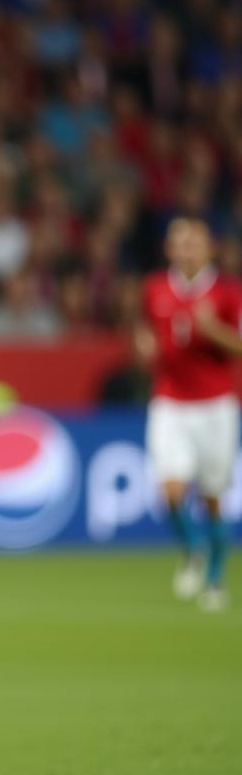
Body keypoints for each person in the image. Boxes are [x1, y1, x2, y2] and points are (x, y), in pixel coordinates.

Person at [137, 216, 242, 612]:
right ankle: (193, 549)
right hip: (170, 400)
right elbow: (147, 332)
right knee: (171, 490)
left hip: (216, 404)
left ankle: (215, 576)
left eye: (193, 242)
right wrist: (144, 347)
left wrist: (214, 330)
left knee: (213, 497)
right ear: (169, 249)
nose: (186, 249)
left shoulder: (229, 293)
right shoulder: (155, 288)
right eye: (179, 242)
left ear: (209, 248)